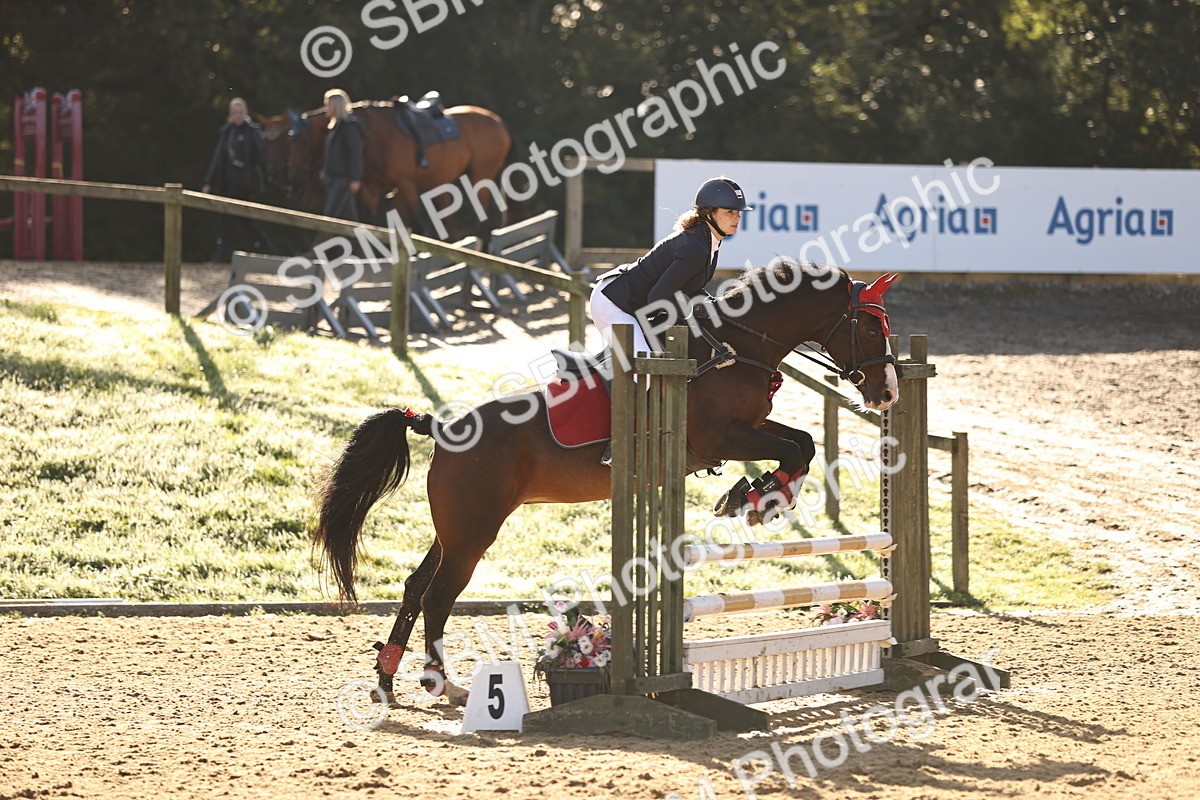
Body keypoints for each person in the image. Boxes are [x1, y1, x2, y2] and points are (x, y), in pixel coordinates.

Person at [589, 176, 752, 356]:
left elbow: (689, 286)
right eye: (730, 211)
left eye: (738, 212)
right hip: (612, 302)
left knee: (664, 361)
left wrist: (713, 306)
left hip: (627, 302)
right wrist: (693, 311)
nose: (738, 217)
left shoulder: (707, 241)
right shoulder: (695, 247)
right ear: (708, 213)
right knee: (646, 364)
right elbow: (657, 297)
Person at [202, 97, 274, 261]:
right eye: (235, 112)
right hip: (227, 183)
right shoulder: (227, 132)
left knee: (243, 219)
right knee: (229, 219)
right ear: (230, 114)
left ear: (245, 112)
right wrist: (208, 182)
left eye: (241, 112)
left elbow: (263, 158)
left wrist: (268, 178)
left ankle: (265, 250)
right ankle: (224, 253)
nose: (238, 115)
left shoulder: (253, 132)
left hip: (245, 184)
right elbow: (218, 158)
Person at [319, 88, 364, 222]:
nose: (326, 108)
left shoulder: (349, 127)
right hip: (334, 179)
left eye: (328, 105)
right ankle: (359, 237)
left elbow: (355, 154)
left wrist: (355, 178)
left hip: (342, 180)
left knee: (328, 219)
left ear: (335, 106)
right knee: (351, 221)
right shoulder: (336, 127)